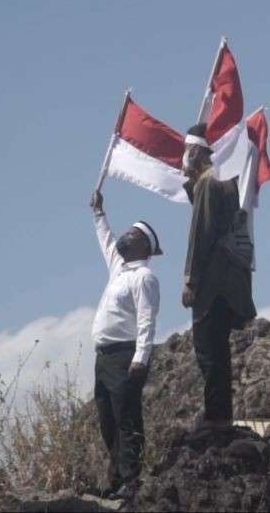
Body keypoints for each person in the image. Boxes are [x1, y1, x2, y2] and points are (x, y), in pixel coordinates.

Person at [181, 123, 257, 429]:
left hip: (213, 282)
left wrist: (190, 280)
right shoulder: (227, 180)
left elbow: (200, 235)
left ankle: (215, 417)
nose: (182, 157)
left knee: (208, 350)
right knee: (219, 352)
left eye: (186, 150)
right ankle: (220, 414)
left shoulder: (209, 184)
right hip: (232, 284)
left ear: (197, 151)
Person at [88, 190, 160, 499]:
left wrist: (141, 359)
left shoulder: (144, 277)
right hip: (103, 358)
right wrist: (99, 213)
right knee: (107, 420)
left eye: (131, 234)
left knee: (127, 418)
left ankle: (132, 482)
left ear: (142, 245)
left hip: (124, 355)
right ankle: (116, 477)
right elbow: (106, 240)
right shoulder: (120, 269)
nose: (124, 237)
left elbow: (147, 319)